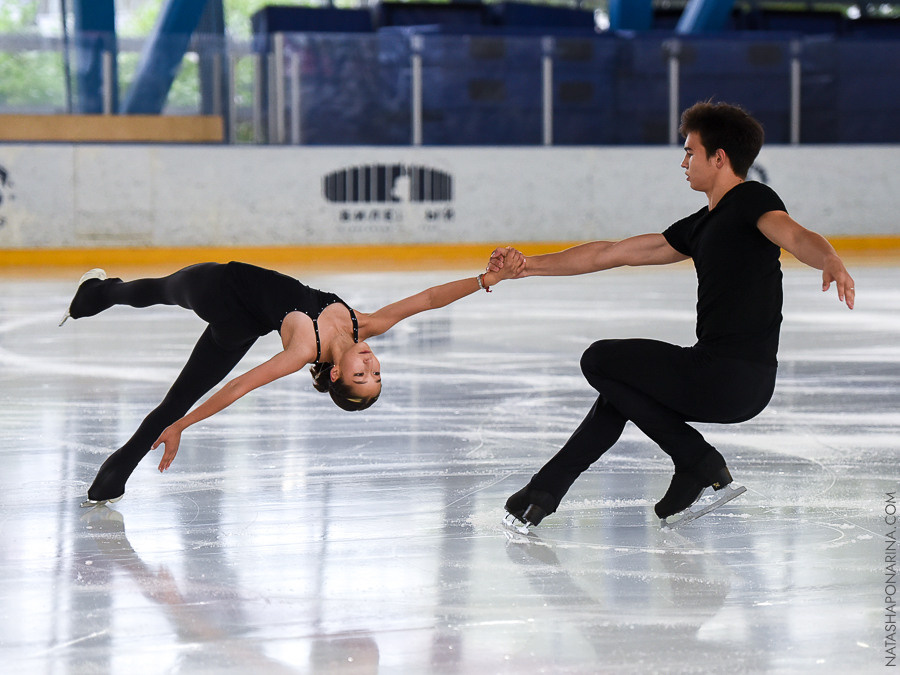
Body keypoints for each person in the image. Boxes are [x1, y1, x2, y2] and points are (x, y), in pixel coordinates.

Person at [494, 101, 855, 529]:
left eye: (690, 152)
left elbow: (795, 235)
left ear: (719, 158)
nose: (683, 163)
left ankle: (698, 460)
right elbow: (611, 253)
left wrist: (829, 258)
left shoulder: (752, 200)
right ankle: (544, 492)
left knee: (599, 359)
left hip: (729, 375)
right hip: (727, 378)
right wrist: (526, 266)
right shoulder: (700, 225)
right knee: (618, 390)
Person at [61, 256, 523, 507]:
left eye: (361, 376)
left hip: (221, 289)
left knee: (157, 292)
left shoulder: (304, 348)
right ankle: (111, 481)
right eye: (376, 373)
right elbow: (428, 299)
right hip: (241, 325)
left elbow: (239, 386)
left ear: (336, 374)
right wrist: (486, 279)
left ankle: (97, 295)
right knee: (155, 299)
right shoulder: (365, 325)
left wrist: (183, 425)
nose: (370, 365)